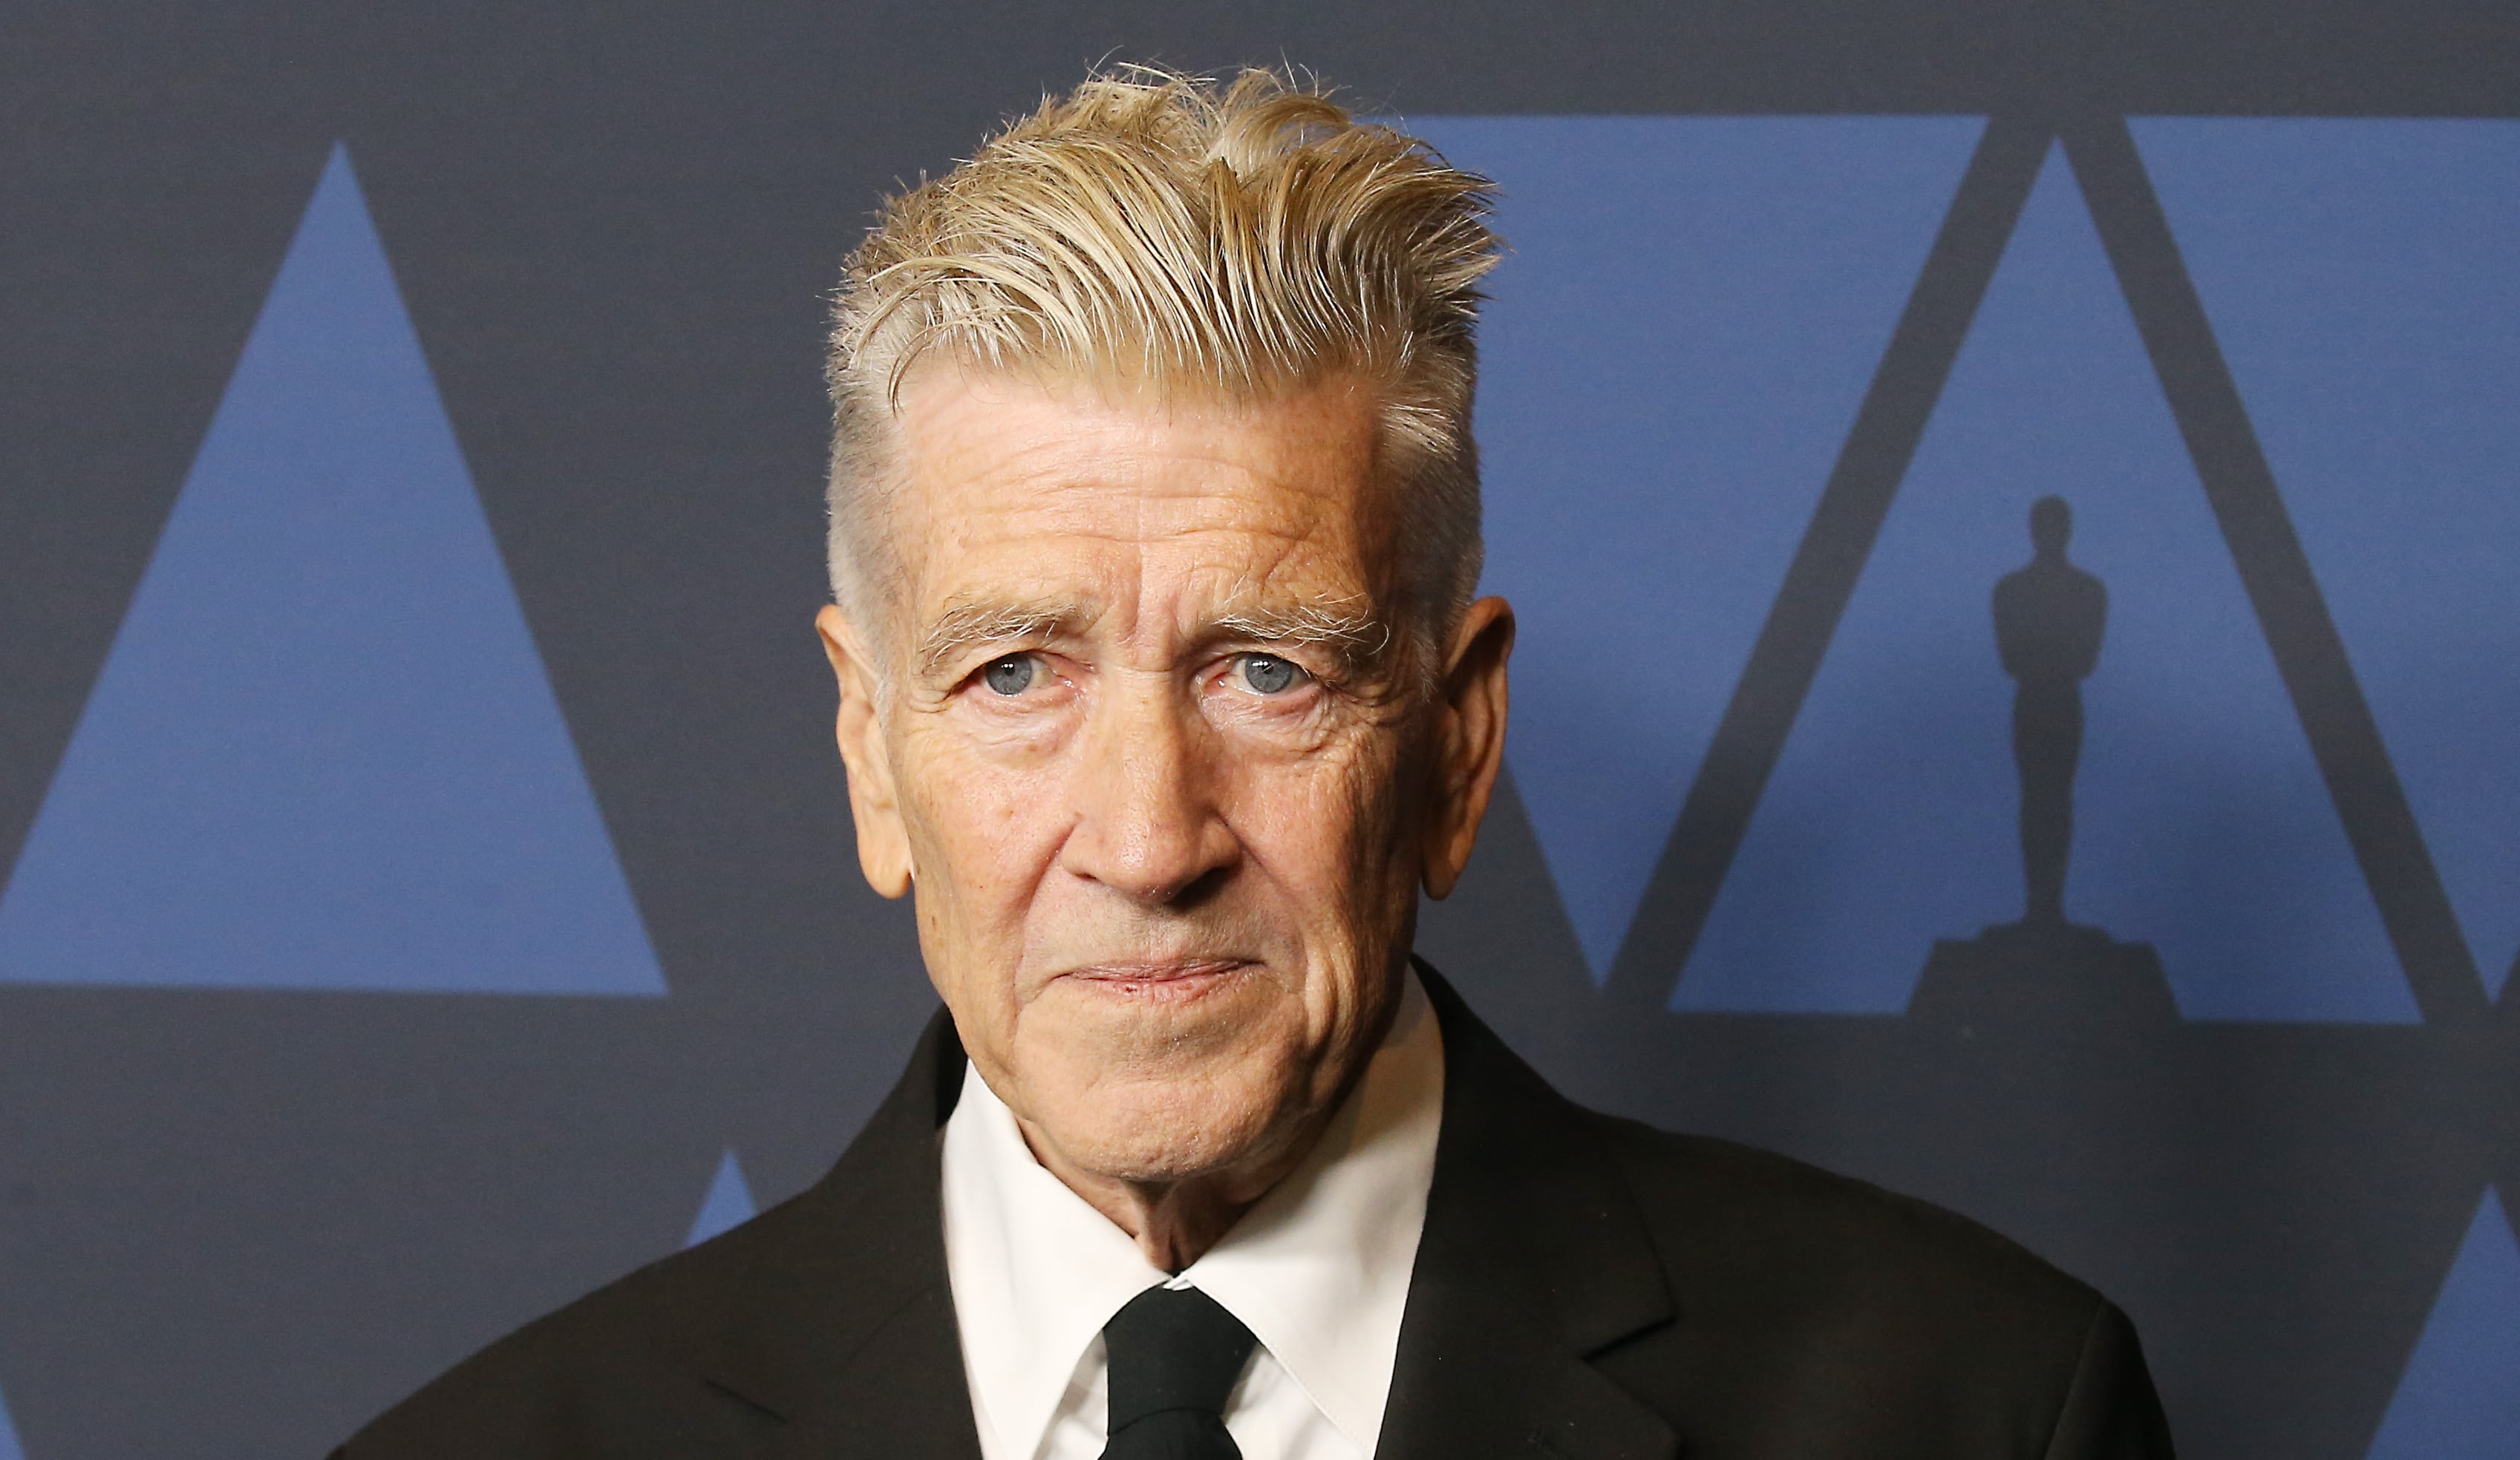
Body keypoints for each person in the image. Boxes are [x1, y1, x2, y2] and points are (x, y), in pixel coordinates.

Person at [335, 67, 2173, 1459]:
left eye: (1267, 670)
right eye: (1014, 674)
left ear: (1454, 743)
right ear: (868, 758)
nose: (1147, 837)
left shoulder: (1980, 1409)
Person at [1993, 495, 2109, 926]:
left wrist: (2042, 656)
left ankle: (2050, 908)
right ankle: (2039, 908)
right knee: (2037, 797)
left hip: (2058, 701)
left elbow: (2086, 661)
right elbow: (2010, 658)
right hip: (2038, 700)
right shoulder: (2012, 590)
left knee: (2055, 797)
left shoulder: (2087, 591)